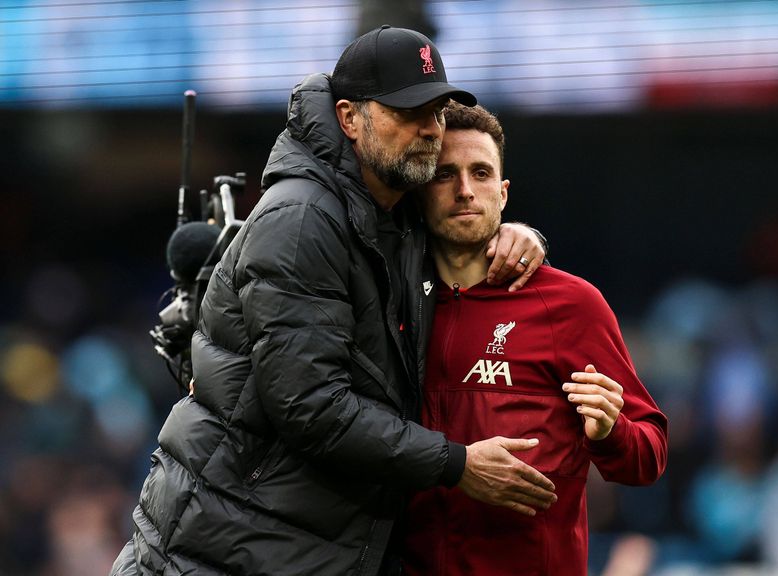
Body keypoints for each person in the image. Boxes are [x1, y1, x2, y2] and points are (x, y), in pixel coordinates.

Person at [110, 26, 555, 576]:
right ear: (349, 118)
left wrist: (520, 235)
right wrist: (456, 463)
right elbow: (310, 407)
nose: (429, 130)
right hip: (218, 549)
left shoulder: (396, 202)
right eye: (408, 111)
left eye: (437, 112)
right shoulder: (300, 219)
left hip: (296, 544)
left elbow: (470, 214)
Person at [402, 103, 669, 576]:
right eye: (445, 175)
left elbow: (649, 456)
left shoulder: (572, 304)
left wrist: (611, 431)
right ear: (420, 193)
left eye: (480, 173)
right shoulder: (393, 304)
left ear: (502, 194)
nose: (465, 190)